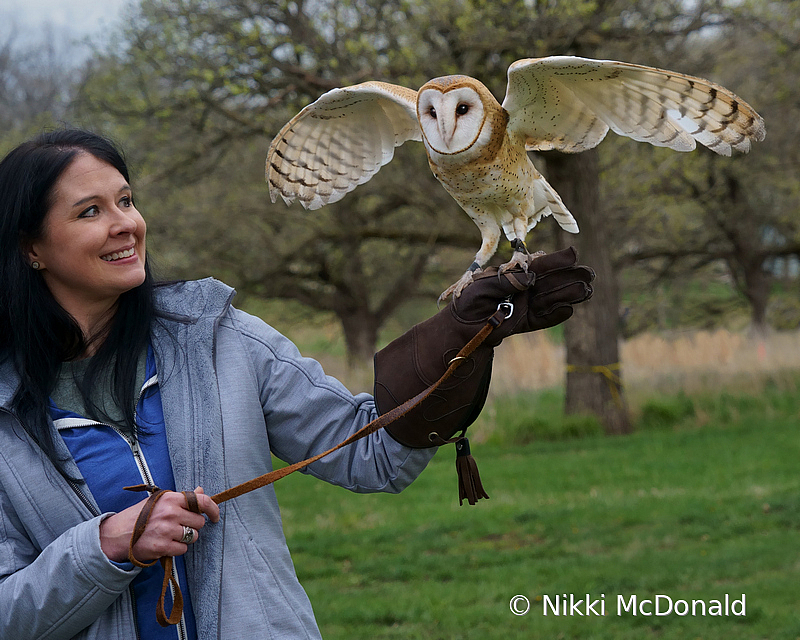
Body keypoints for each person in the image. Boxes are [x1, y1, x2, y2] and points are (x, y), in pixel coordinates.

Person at [0, 128, 594, 639]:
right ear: (31, 249)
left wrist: (459, 338)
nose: (124, 224)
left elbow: (372, 454)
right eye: (90, 211)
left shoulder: (219, 339)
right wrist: (104, 545)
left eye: (125, 200)